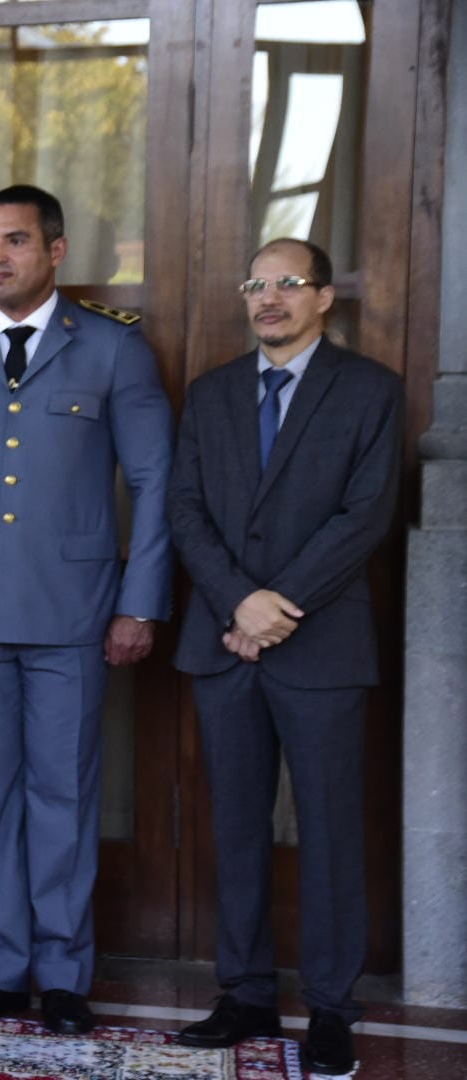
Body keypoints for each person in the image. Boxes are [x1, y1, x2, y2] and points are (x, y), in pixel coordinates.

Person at [0, 185, 173, 1034]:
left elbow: (155, 484)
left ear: (56, 251)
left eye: (14, 240)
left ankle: (62, 972)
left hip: (74, 615)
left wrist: (140, 603)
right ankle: (2, 965)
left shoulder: (114, 351)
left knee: (63, 795)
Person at [167, 238, 402, 1076]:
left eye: (288, 284)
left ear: (325, 298)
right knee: (236, 829)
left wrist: (273, 607)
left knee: (332, 833)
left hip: (321, 648)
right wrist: (239, 602)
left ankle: (332, 1008)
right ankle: (247, 994)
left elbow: (365, 515)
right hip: (227, 647)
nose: (269, 298)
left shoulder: (371, 390)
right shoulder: (210, 395)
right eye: (257, 285)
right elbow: (185, 511)